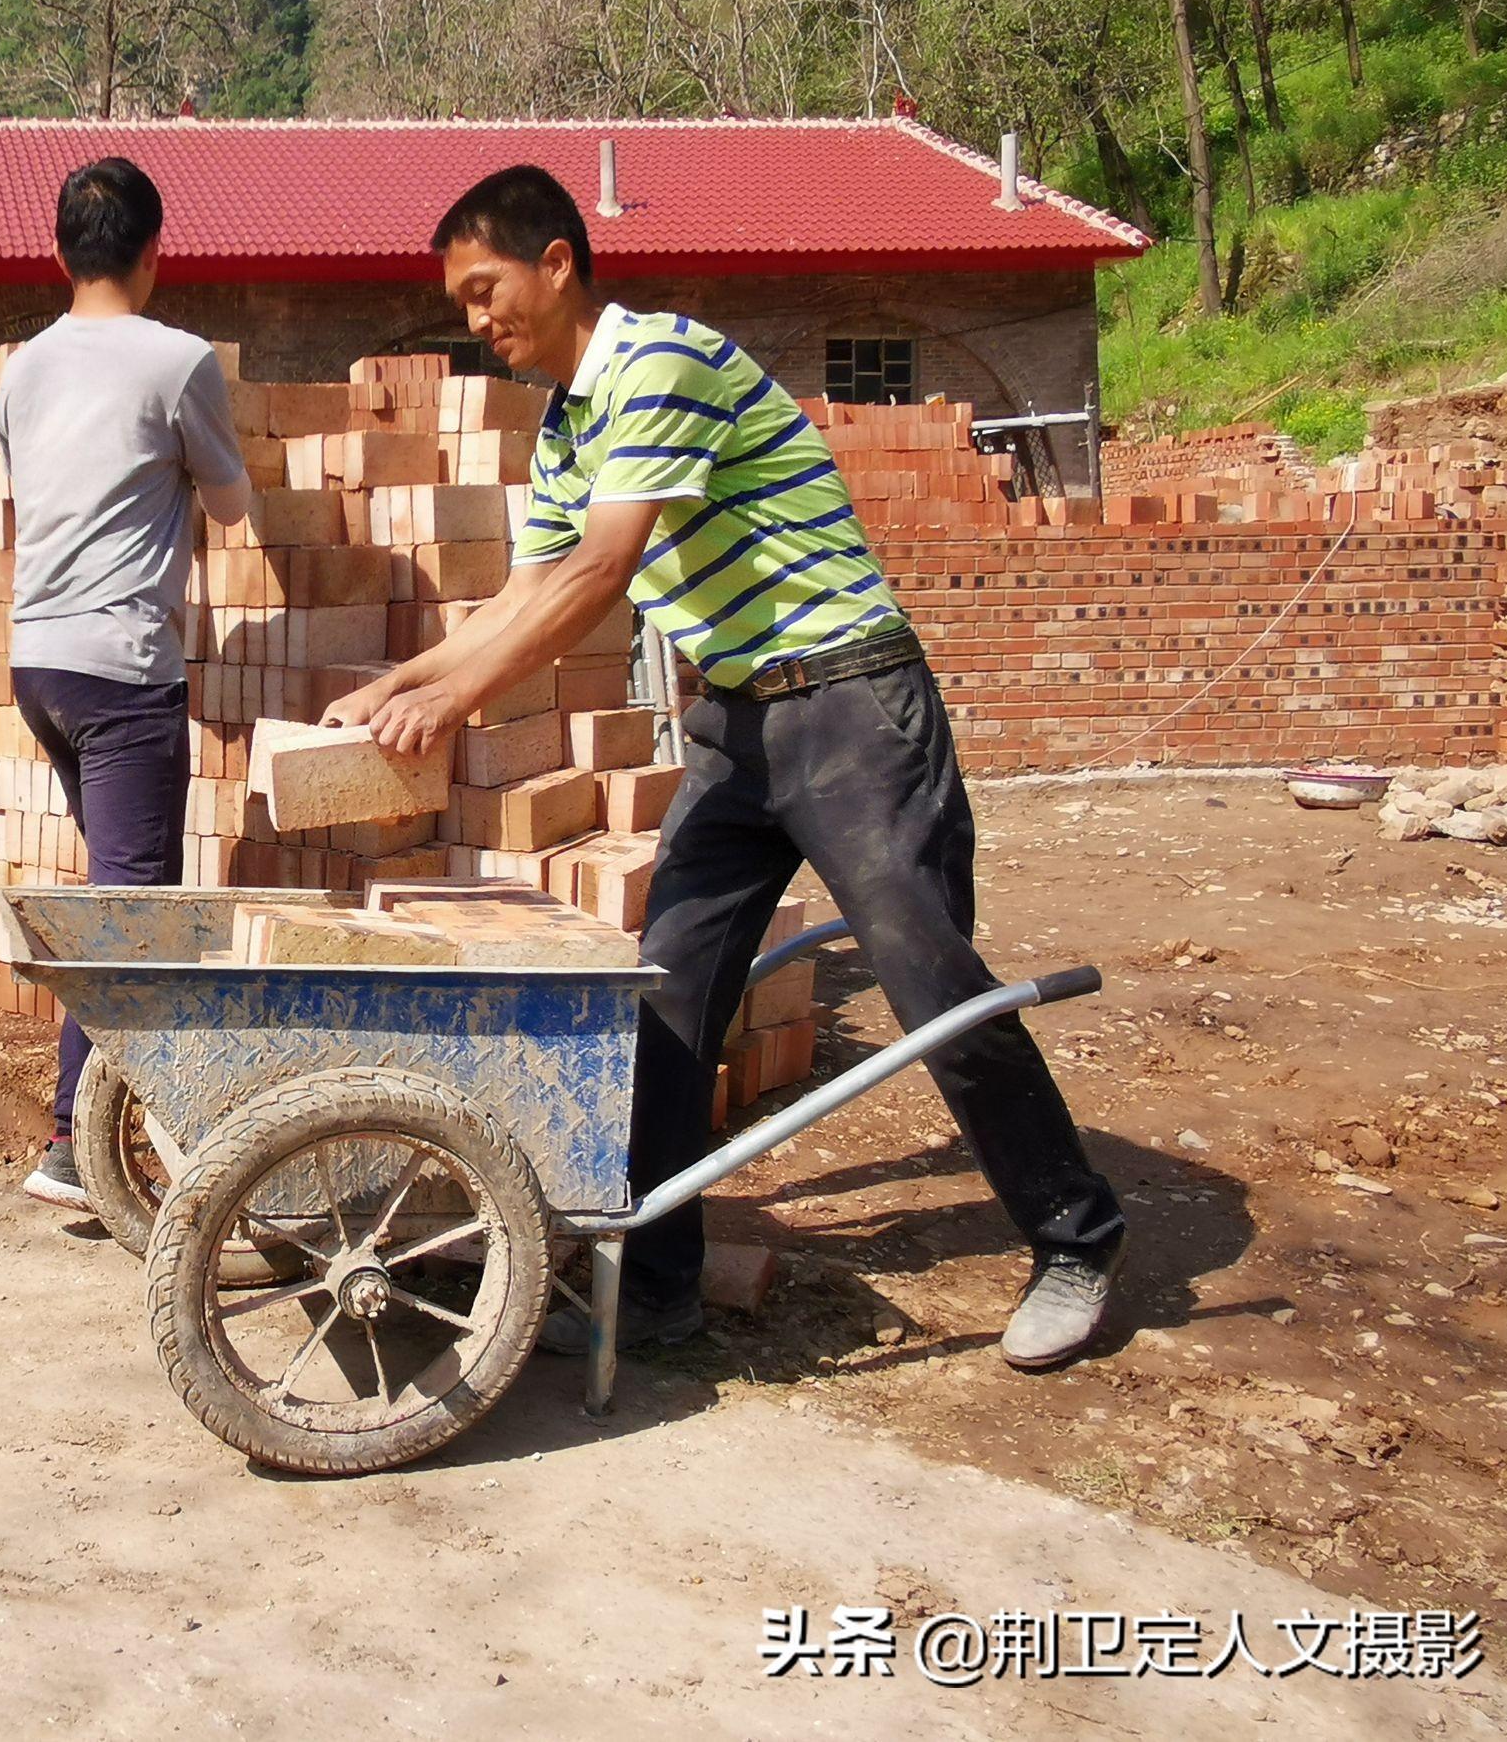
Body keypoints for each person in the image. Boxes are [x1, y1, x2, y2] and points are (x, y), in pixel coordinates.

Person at [322, 164, 1126, 1369]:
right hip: (737, 723)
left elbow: (600, 575)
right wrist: (393, 689)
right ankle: (654, 1291)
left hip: (847, 700)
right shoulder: (569, 424)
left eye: (487, 290)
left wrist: (452, 706)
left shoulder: (656, 365)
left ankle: (1075, 1235)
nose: (477, 321)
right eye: (461, 301)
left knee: (925, 975)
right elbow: (525, 589)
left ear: (556, 264)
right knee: (663, 995)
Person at [0, 157, 252, 1210]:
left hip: (40, 662)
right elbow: (233, 510)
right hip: (121, 672)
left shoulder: (22, 367)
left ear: (59, 254)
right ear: (156, 253)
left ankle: (110, 1117)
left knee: (115, 889)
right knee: (132, 916)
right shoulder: (179, 359)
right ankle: (75, 1141)